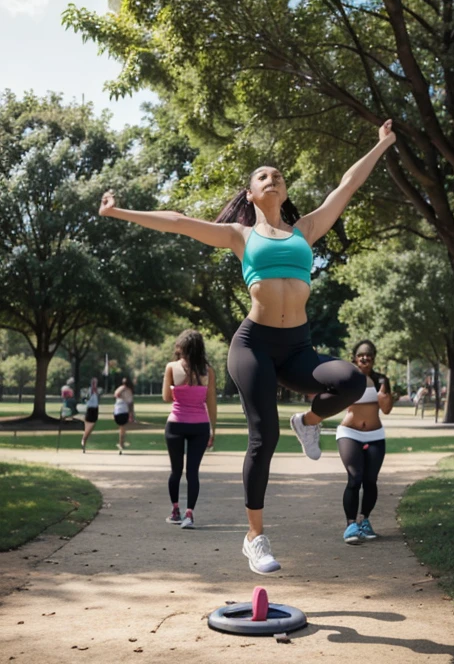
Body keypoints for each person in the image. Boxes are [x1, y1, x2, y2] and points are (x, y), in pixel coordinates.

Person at [99, 119, 396, 573]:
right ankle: (255, 537)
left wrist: (382, 145)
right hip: (253, 344)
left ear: (284, 189)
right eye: (262, 176)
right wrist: (120, 212)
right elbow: (178, 223)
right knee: (265, 436)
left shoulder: (307, 230)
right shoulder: (240, 236)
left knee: (352, 380)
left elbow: (348, 183)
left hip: (298, 348)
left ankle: (309, 420)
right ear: (251, 193)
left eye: (277, 174)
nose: (271, 178)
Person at [337, 340, 393, 544]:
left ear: (373, 359)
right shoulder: (348, 378)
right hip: (349, 433)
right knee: (355, 477)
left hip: (375, 434)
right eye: (361, 356)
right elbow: (335, 401)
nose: (364, 359)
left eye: (369, 356)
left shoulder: (381, 380)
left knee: (370, 480)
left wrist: (383, 397)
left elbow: (386, 409)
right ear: (354, 358)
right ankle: (350, 524)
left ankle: (364, 520)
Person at [162, 329, 217, 530]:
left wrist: (179, 389)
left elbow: (166, 398)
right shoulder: (208, 371)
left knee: (176, 471)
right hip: (200, 426)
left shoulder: (171, 367)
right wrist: (213, 430)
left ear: (181, 347)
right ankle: (189, 514)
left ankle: (175, 510)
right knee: (192, 472)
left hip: (176, 423)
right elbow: (211, 403)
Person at [113, 376, 134, 453]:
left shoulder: (119, 389)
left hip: (117, 412)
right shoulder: (129, 391)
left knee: (121, 428)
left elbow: (116, 394)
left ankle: (121, 443)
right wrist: (131, 414)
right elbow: (130, 403)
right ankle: (121, 444)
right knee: (123, 429)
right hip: (124, 411)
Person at [81, 377, 100, 452]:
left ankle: (84, 440)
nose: (95, 384)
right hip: (90, 409)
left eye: (96, 383)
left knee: (92, 426)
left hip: (95, 409)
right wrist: (93, 390)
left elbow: (97, 399)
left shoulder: (96, 391)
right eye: (94, 383)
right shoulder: (90, 390)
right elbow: (87, 398)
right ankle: (83, 440)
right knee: (88, 426)